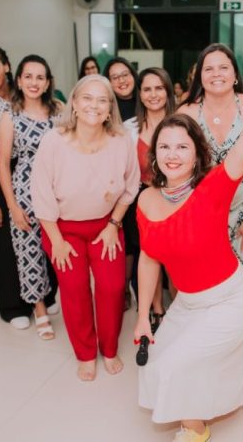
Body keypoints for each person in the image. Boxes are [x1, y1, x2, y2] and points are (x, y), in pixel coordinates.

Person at [134, 48, 243, 442]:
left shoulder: (212, 188)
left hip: (233, 299)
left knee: (177, 365)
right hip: (188, 304)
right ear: (155, 155)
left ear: (197, 155)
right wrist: (142, 316)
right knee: (155, 363)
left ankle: (193, 430)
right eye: (165, 147)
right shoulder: (146, 200)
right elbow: (148, 258)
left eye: (182, 147)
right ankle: (196, 417)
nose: (172, 155)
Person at [32, 74, 139, 381]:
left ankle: (109, 349)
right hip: (62, 230)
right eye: (87, 98)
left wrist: (113, 224)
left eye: (102, 100)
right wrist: (57, 241)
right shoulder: (53, 141)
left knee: (113, 287)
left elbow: (130, 187)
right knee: (74, 289)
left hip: (106, 226)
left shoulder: (121, 141)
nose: (94, 105)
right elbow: (41, 194)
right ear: (75, 104)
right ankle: (85, 354)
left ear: (110, 109)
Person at [0, 43, 58, 328]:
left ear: (7, 67)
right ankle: (20, 306)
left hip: (50, 182)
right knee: (15, 248)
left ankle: (48, 294)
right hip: (11, 180)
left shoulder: (51, 107)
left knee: (49, 244)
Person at [179, 43, 243, 280]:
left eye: (223, 67)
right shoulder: (186, 114)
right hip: (202, 216)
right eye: (209, 69)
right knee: (205, 283)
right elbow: (179, 174)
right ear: (200, 76)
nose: (216, 74)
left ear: (235, 75)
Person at [0, 55, 63, 340]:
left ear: (47, 83)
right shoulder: (9, 116)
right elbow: (2, 164)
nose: (34, 82)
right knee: (29, 251)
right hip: (25, 190)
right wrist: (12, 206)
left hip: (58, 190)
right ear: (19, 81)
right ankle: (39, 310)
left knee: (60, 248)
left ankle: (58, 296)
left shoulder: (59, 112)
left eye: (40, 77)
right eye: (28, 76)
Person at [124, 67, 178, 330]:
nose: (153, 94)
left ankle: (181, 311)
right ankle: (157, 310)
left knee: (176, 262)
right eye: (147, 89)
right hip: (143, 202)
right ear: (140, 94)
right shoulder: (129, 129)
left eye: (159, 88)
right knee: (150, 257)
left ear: (168, 91)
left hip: (177, 201)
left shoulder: (181, 122)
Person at [103, 57, 140, 308]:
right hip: (119, 184)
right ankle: (125, 287)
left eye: (125, 74)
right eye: (114, 77)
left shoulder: (144, 101)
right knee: (125, 240)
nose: (121, 80)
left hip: (147, 182)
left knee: (143, 241)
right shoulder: (107, 109)